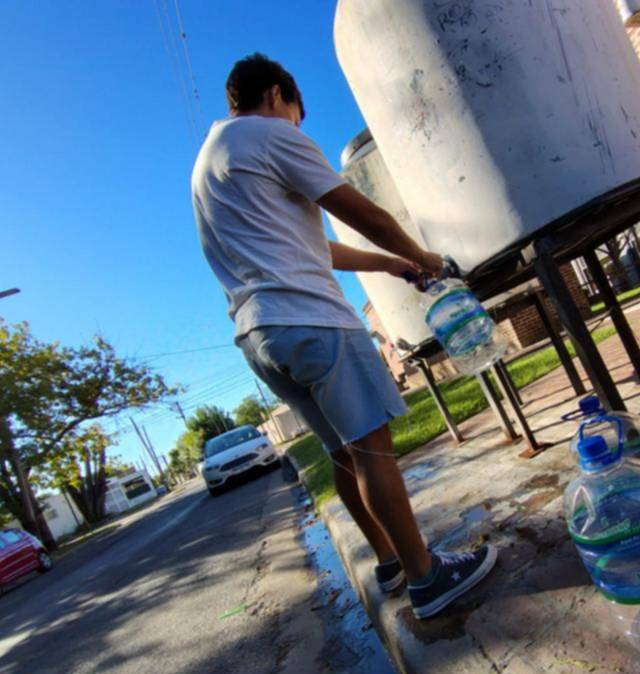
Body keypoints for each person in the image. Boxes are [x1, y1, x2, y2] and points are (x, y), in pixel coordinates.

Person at [191, 53, 497, 619]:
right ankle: (428, 578)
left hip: (260, 335)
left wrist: (392, 266)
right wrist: (424, 256)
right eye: (297, 116)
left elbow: (317, 248)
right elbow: (367, 215)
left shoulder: (210, 166)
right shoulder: (267, 134)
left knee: (342, 450)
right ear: (279, 94)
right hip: (312, 321)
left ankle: (389, 562)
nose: (297, 129)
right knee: (373, 447)